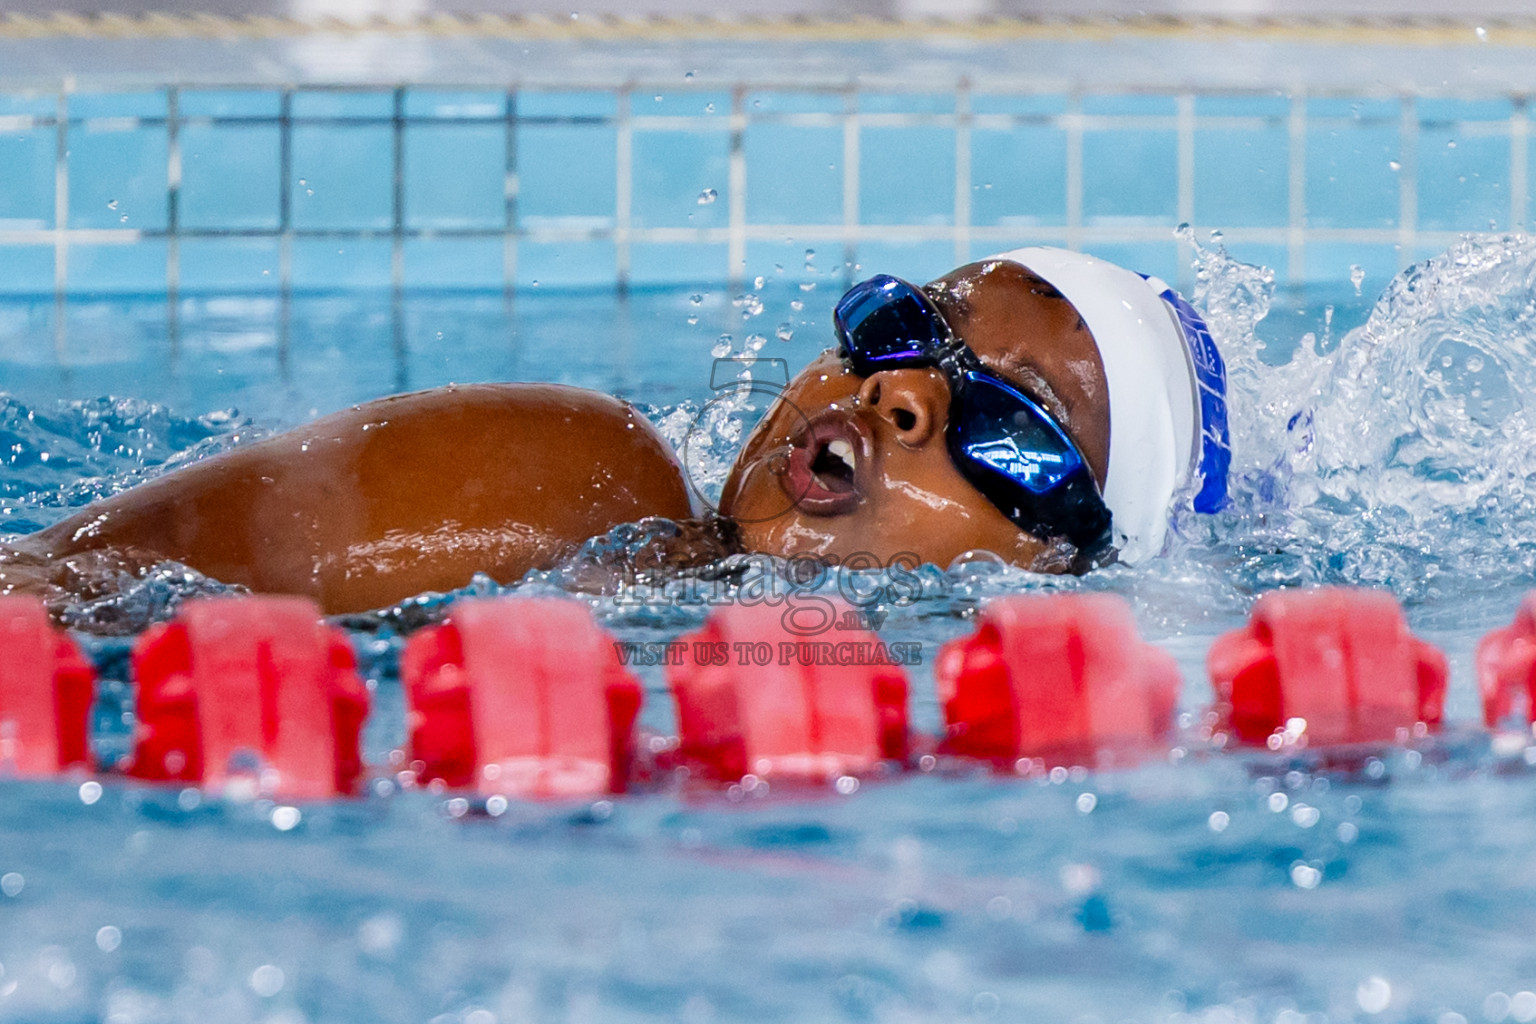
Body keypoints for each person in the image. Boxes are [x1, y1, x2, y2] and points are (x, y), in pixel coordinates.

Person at [0, 247, 1229, 617]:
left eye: (1019, 422)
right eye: (907, 325)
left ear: (1066, 563)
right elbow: (39, 594)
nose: (904, 395)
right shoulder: (576, 478)